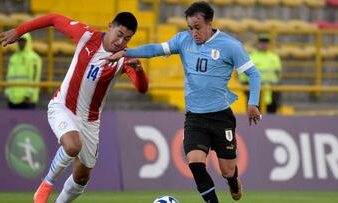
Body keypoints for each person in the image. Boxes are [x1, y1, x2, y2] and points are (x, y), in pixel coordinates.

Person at [105, 1, 261, 202]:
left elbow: (253, 74)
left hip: (221, 117)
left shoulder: (230, 46)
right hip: (195, 117)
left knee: (227, 170)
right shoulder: (183, 40)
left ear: (209, 23)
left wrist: (253, 103)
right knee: (195, 164)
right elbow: (155, 49)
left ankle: (233, 181)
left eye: (197, 28)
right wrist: (126, 52)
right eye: (190, 28)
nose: (193, 33)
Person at [0, 12, 148, 203]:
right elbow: (53, 18)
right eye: (119, 34)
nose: (121, 42)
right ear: (110, 26)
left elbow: (142, 89)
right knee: (73, 145)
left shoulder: (124, 58)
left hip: (91, 122)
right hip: (63, 107)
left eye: (127, 38)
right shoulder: (87, 36)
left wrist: (139, 70)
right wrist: (19, 31)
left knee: (81, 178)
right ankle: (45, 185)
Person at [239, 33, 282, 113]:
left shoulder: (274, 57)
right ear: (257, 43)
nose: (264, 44)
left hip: (271, 90)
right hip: (254, 91)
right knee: (254, 114)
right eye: (262, 42)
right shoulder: (250, 57)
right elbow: (243, 76)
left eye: (266, 42)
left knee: (272, 114)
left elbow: (278, 74)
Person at [5, 33, 42, 109]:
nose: (21, 43)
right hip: (12, 99)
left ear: (28, 41)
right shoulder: (13, 58)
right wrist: (8, 93)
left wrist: (29, 95)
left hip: (27, 100)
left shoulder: (34, 58)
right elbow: (9, 77)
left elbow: (35, 78)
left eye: (23, 41)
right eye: (19, 41)